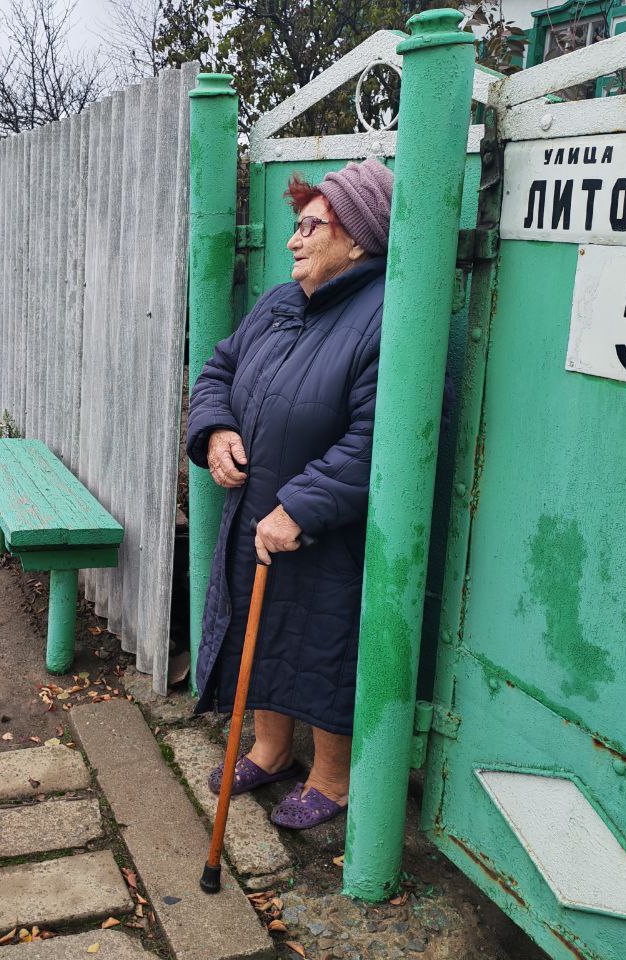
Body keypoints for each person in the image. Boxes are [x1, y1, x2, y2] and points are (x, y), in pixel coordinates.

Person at [186, 158, 394, 830]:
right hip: (256, 509)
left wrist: (301, 505)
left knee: (324, 643)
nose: (292, 240)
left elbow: (380, 436)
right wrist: (215, 432)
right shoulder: (280, 303)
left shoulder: (386, 317)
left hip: (327, 526)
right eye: (296, 225)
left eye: (310, 226)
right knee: (260, 625)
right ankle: (270, 750)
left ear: (356, 239)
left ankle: (332, 780)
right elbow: (218, 367)